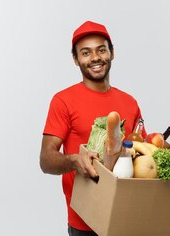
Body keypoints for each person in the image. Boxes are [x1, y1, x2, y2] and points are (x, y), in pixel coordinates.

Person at [40, 21, 146, 236]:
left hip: (127, 217)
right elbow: (46, 160)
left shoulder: (130, 102)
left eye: (101, 50)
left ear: (112, 53)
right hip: (85, 221)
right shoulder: (63, 101)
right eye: (86, 53)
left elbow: (141, 154)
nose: (95, 58)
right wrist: (73, 160)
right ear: (75, 59)